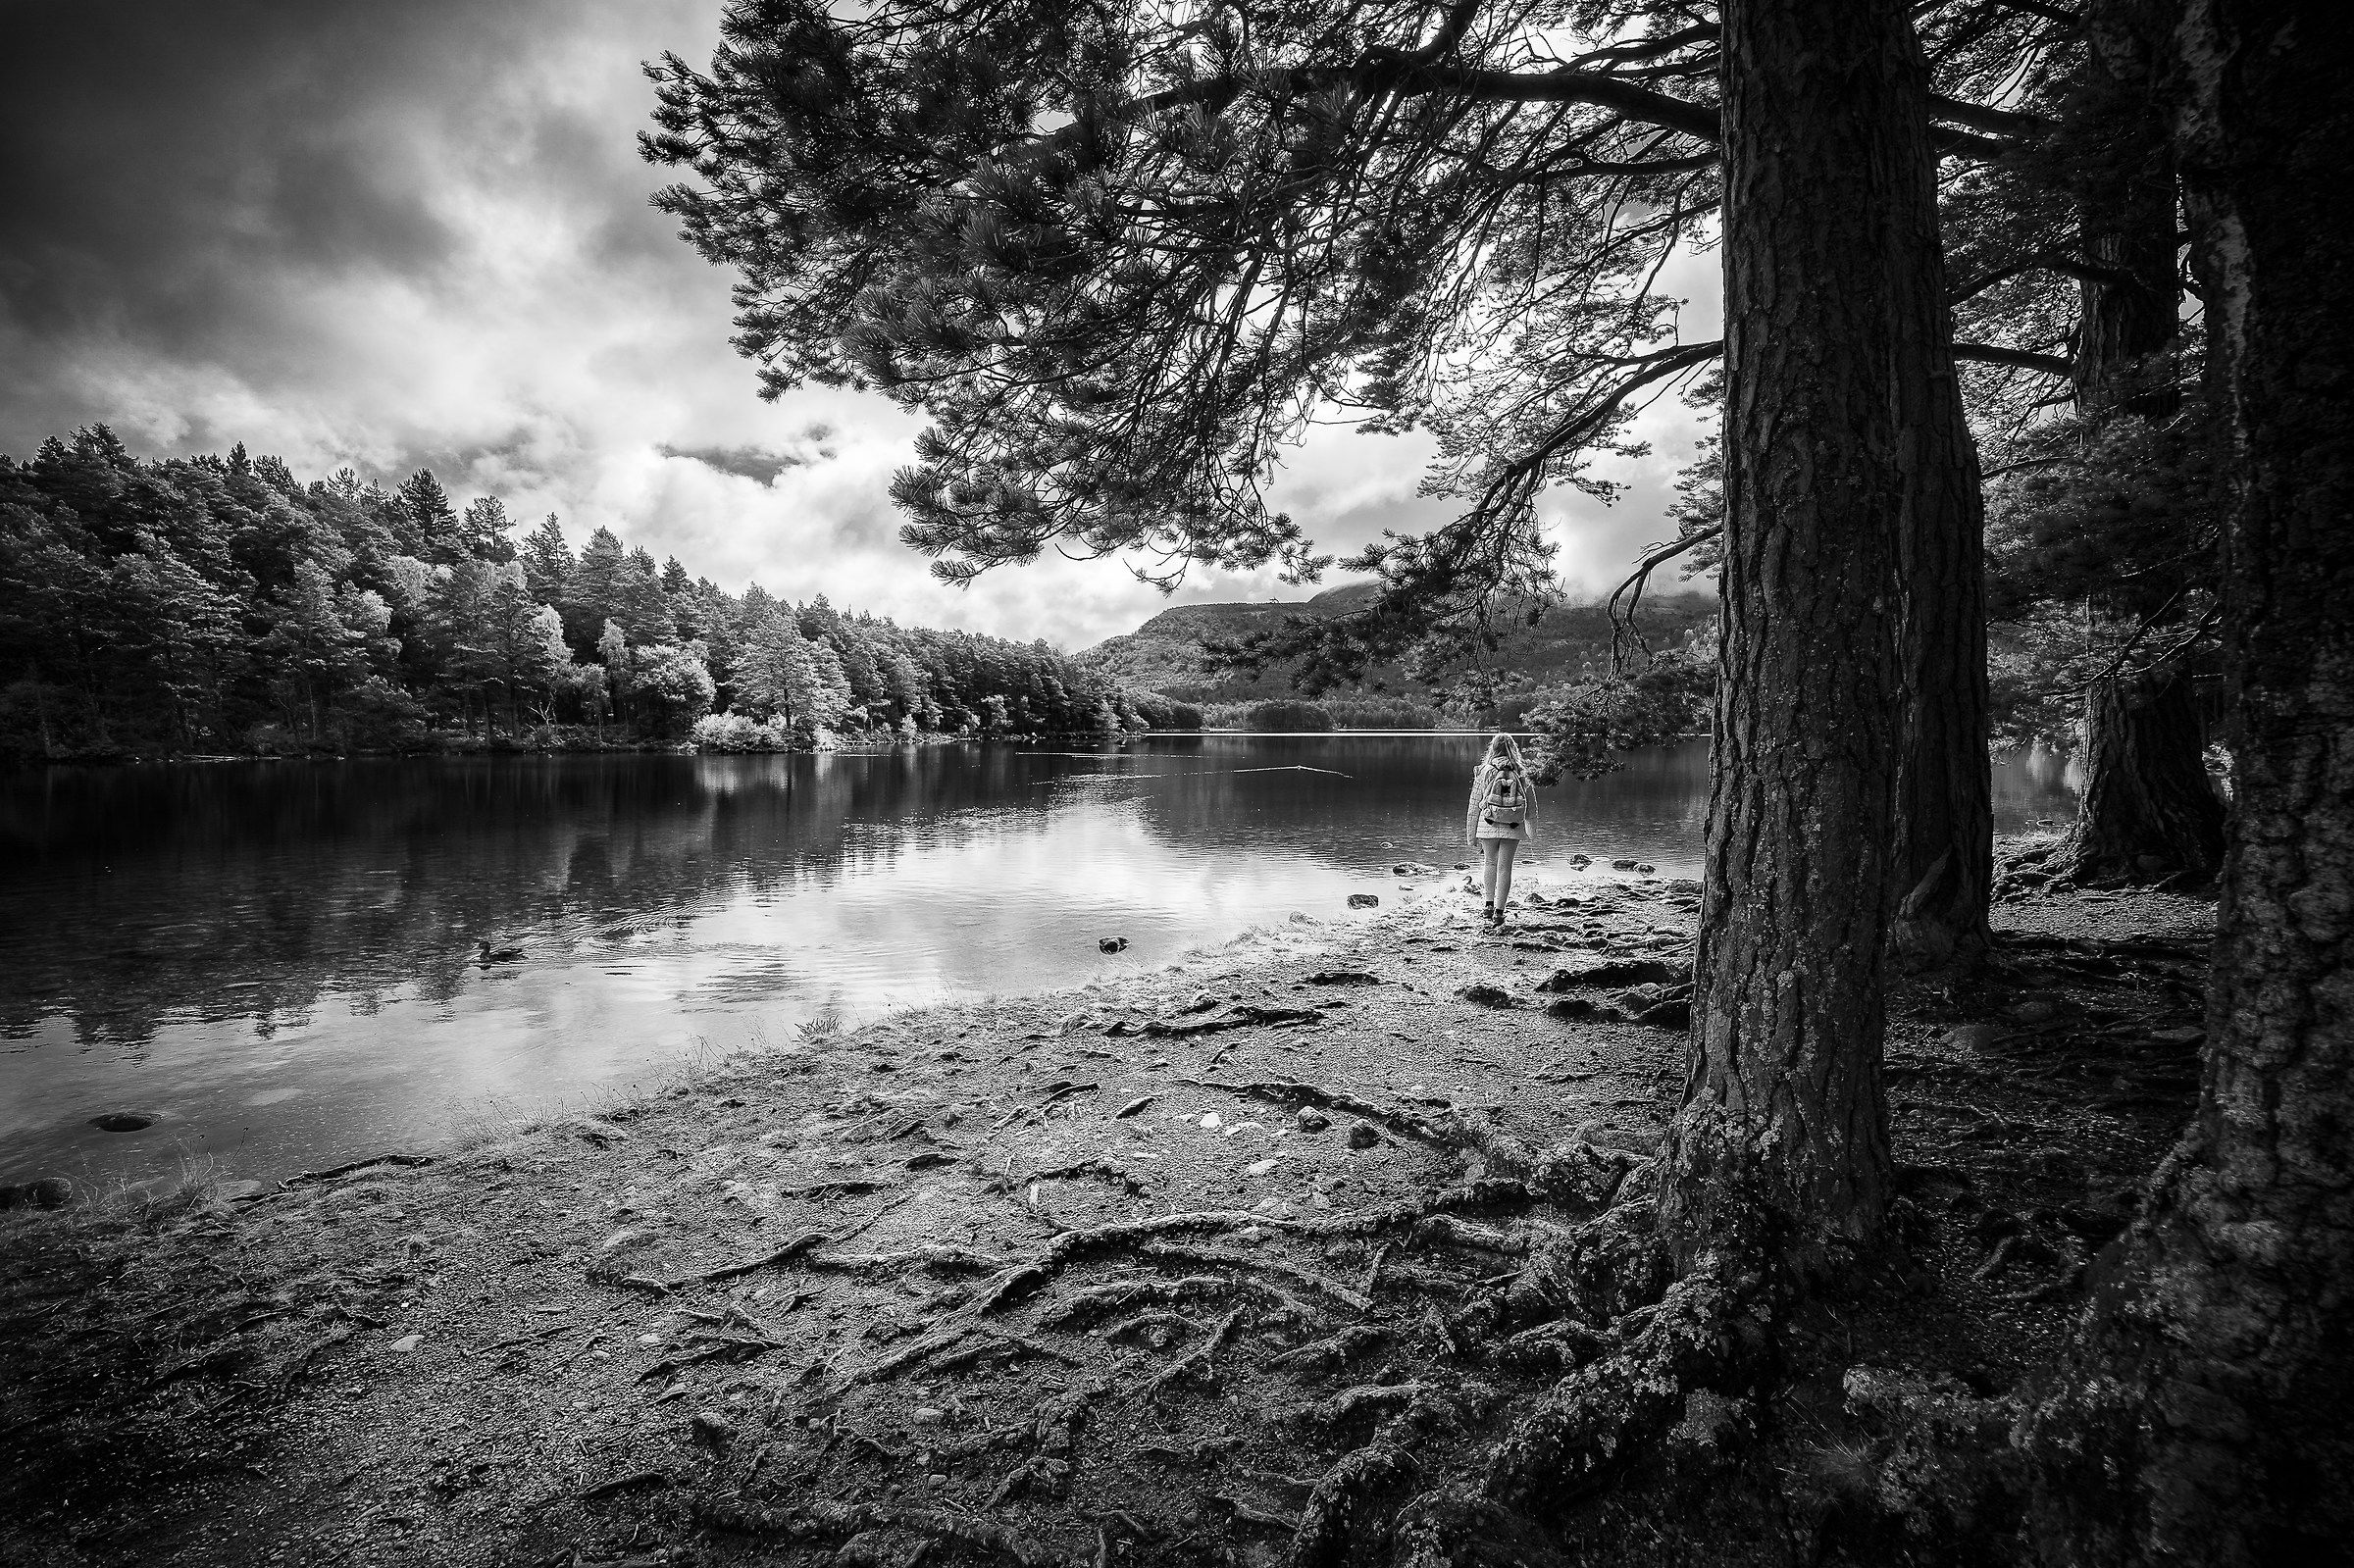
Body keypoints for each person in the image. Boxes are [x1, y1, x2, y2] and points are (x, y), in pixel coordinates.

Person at [1466, 732, 1537, 926]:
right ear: (1514, 749)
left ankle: (1488, 906)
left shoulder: (1485, 771)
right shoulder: (1521, 772)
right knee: (1505, 867)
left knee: (1490, 863)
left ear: (1492, 748)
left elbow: (1473, 806)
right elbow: (1531, 806)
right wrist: (1532, 831)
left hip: (1487, 823)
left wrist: (1471, 836)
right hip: (1513, 825)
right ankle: (1499, 912)